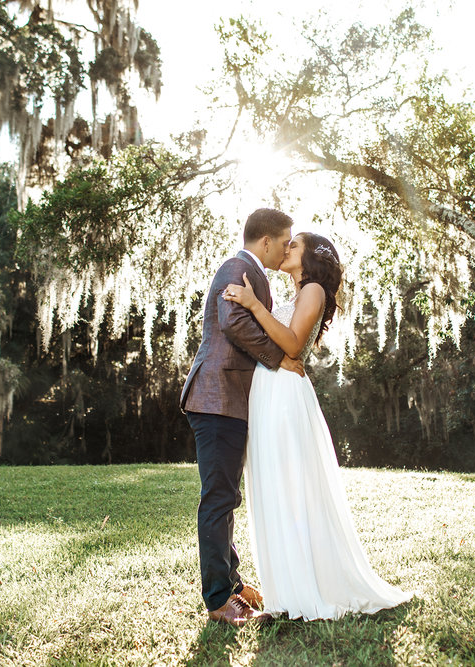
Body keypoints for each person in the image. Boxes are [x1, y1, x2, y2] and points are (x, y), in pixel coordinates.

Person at [223, 232, 413, 621]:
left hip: (285, 396)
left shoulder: (313, 290)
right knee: (275, 487)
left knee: (290, 489)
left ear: (310, 258)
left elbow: (293, 345)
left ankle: (302, 595)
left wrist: (254, 305)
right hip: (271, 390)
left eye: (294, 245)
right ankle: (286, 592)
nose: (285, 248)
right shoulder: (298, 293)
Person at [179, 208, 305, 627]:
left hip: (230, 401)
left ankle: (229, 583)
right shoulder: (238, 267)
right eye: (285, 242)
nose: (288, 249)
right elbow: (232, 321)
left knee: (226, 495)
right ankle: (218, 599)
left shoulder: (252, 272)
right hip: (217, 399)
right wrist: (278, 359)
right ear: (265, 242)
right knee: (218, 498)